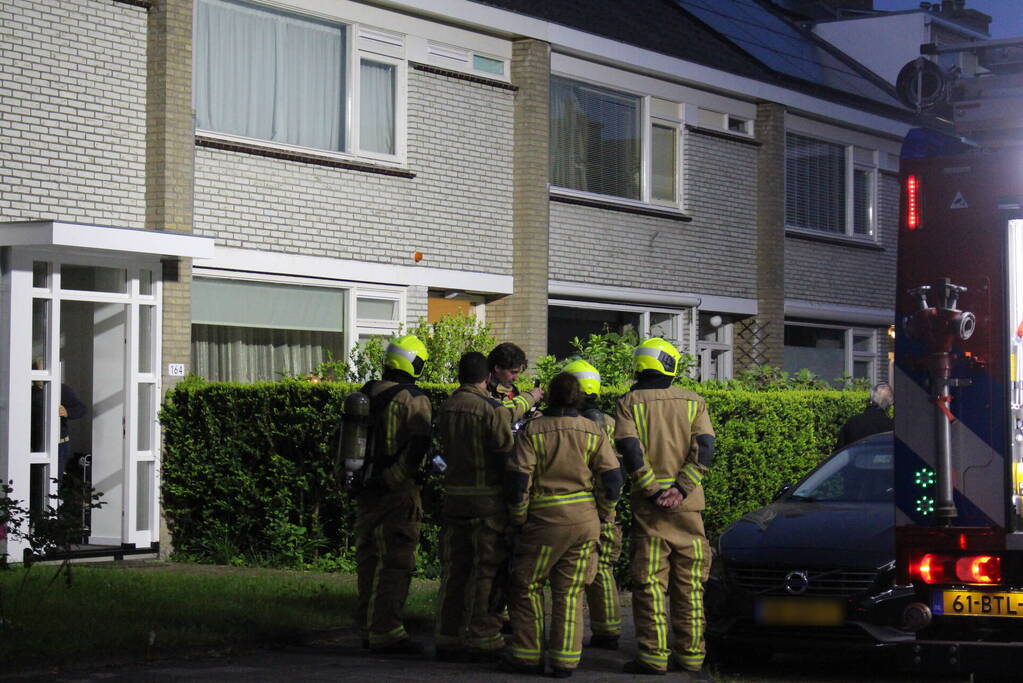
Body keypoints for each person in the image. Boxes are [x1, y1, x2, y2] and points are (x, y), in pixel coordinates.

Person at [502, 372, 623, 678]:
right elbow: (612, 481)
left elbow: (518, 482)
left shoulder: (533, 431)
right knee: (570, 592)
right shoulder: (593, 431)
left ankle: (527, 655)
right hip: (585, 523)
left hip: (543, 524)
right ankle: (565, 661)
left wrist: (518, 519)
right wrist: (606, 514)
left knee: (527, 585)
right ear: (580, 397)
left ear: (550, 396)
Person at [614, 338, 715, 677]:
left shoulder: (629, 402)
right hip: (688, 509)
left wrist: (654, 490)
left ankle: (653, 657)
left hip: (650, 510)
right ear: (670, 365)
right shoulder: (694, 401)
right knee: (690, 586)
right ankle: (691, 657)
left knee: (650, 584)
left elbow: (630, 450)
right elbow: (704, 449)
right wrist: (681, 489)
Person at [353, 334, 433, 654]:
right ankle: (387, 632)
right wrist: (396, 479)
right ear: (413, 363)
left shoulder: (364, 393)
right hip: (397, 493)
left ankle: (367, 626)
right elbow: (419, 446)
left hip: (365, 489)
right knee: (396, 562)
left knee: (368, 560)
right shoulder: (414, 399)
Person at [434, 352, 515, 662]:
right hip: (487, 505)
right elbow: (506, 455)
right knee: (488, 572)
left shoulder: (447, 406)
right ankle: (484, 636)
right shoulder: (491, 410)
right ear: (487, 378)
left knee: (455, 571)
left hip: (454, 501)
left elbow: (442, 456)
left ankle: (447, 635)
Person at [564, 358, 623, 651]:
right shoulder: (612, 422)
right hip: (607, 505)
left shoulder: (572, 424)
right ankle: (608, 630)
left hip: (579, 506)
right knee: (602, 568)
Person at [487, 342, 543, 423]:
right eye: (513, 372)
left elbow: (516, 411)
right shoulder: (483, 389)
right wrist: (530, 397)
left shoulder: (511, 389)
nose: (516, 378)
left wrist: (531, 413)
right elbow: (502, 413)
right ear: (497, 368)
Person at [837, 381, 894, 448]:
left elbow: (840, 452)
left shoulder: (852, 422)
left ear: (871, 399)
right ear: (888, 405)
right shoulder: (890, 426)